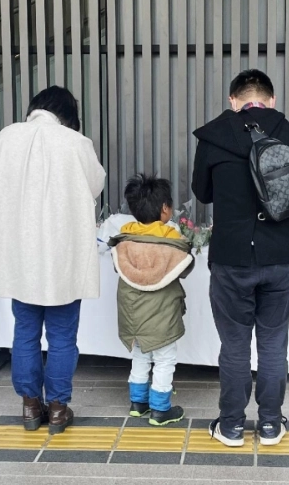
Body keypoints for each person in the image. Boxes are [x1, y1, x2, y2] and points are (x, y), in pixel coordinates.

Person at [191, 69, 289, 448]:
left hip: (231, 258)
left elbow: (202, 192)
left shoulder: (213, 136)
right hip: (278, 256)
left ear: (233, 100)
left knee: (235, 345)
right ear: (270, 100)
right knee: (274, 343)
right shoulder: (287, 132)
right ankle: (271, 425)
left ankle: (232, 426)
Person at [0, 86, 106, 435]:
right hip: (62, 253)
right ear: (67, 114)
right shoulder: (75, 142)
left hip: (22, 254)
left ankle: (29, 406)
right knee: (62, 335)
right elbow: (95, 184)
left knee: (25, 331)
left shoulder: (7, 137)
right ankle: (57, 408)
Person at [108, 174, 194, 426]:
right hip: (162, 315)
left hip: (132, 315)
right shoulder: (172, 240)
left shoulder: (124, 239)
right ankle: (160, 408)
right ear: (165, 209)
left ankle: (138, 403)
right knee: (165, 358)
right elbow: (185, 268)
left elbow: (119, 269)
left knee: (140, 354)